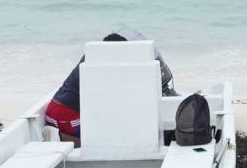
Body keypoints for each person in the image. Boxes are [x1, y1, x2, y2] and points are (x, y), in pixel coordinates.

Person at [43, 29, 174, 141]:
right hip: (67, 117)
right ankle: (60, 138)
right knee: (104, 139)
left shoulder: (90, 58)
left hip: (55, 110)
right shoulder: (102, 68)